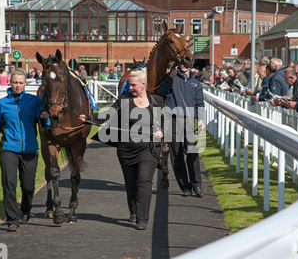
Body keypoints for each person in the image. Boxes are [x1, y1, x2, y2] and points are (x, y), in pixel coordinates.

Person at [79, 69, 164, 230]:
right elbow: (108, 115)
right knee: (131, 184)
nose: (130, 88)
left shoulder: (157, 101)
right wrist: (89, 118)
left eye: (133, 85)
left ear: (143, 84)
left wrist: (162, 131)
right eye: (129, 85)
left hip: (149, 149)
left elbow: (165, 121)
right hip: (127, 150)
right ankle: (133, 210)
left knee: (144, 180)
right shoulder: (124, 100)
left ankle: (142, 218)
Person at [0, 68, 50, 232]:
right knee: (9, 185)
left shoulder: (33, 101)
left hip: (30, 150)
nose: (18, 85)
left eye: (21, 83)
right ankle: (12, 220)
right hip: (8, 149)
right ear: (10, 83)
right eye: (15, 82)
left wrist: (46, 119)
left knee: (28, 187)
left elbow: (44, 123)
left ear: (25, 84)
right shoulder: (2, 104)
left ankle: (26, 210)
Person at [157, 63, 205, 198]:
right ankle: (185, 186)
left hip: (189, 120)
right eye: (181, 63)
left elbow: (200, 103)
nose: (184, 65)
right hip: (172, 120)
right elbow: (160, 93)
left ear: (191, 64)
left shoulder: (196, 83)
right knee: (176, 155)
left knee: (192, 153)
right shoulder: (170, 78)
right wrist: (169, 78)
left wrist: (200, 119)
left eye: (187, 63)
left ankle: (197, 185)